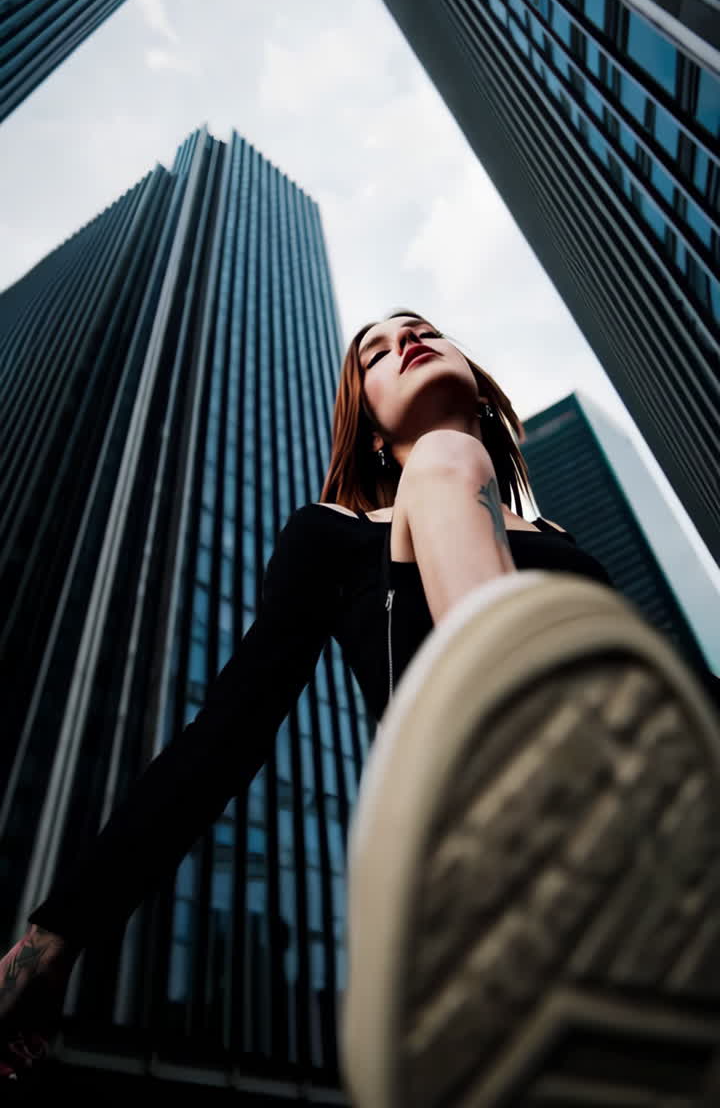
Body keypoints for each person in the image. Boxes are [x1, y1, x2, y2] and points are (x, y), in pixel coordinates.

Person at [2, 310, 719, 1105]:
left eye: (420, 330)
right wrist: (49, 942)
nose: (403, 341)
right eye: (374, 353)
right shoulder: (339, 535)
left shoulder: (561, 536)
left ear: (480, 387)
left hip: (660, 850)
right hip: (500, 858)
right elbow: (223, 740)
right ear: (372, 431)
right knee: (446, 459)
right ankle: (532, 782)